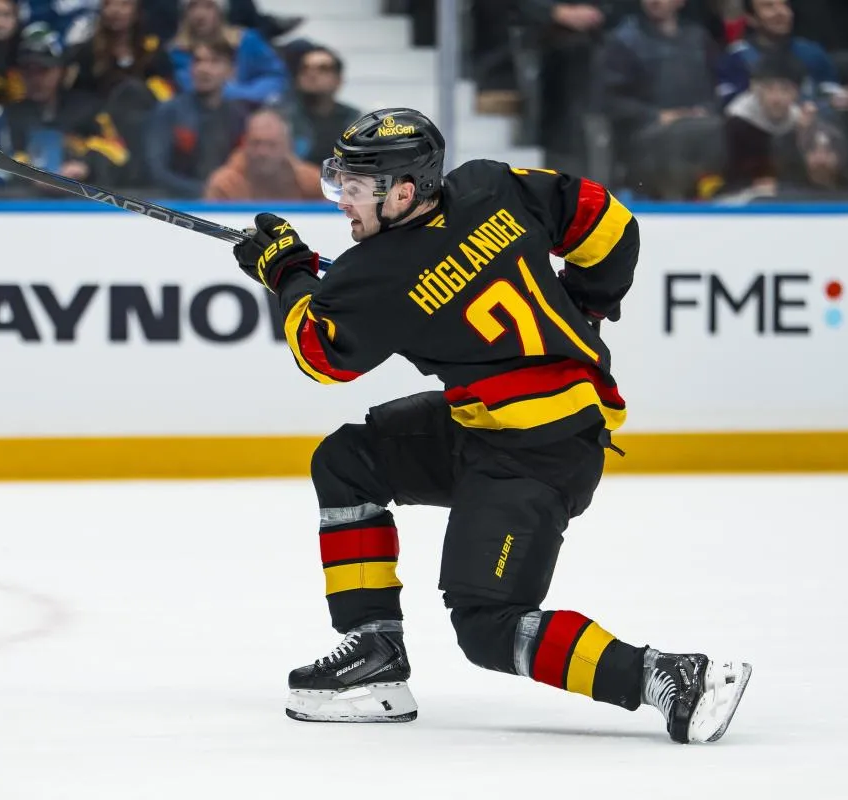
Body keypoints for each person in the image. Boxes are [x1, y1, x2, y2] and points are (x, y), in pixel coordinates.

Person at [230, 108, 752, 743]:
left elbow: (322, 353)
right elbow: (606, 222)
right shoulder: (489, 186)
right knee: (347, 461)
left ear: (401, 192)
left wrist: (285, 276)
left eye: (355, 188)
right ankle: (375, 656)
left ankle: (666, 677)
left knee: (489, 625)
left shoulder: (380, 273)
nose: (342, 200)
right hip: (509, 424)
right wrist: (589, 303)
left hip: (536, 454)